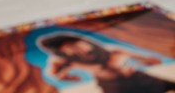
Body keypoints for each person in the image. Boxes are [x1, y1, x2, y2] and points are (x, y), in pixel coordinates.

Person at [40, 33, 175, 92]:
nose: (79, 49)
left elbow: (154, 61)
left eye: (77, 44)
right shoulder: (62, 59)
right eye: (69, 48)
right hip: (113, 86)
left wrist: (137, 60)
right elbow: (54, 73)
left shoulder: (111, 50)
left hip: (137, 77)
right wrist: (68, 75)